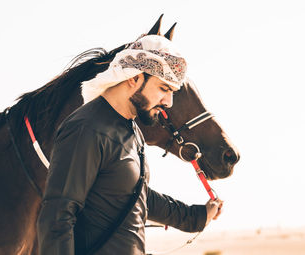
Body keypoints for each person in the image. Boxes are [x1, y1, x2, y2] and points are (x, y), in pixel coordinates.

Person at [37, 33, 223, 255]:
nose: (168, 102)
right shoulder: (85, 128)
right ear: (133, 78)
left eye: (172, 92)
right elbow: (57, 218)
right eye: (164, 88)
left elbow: (134, 194)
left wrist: (197, 217)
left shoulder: (131, 129)